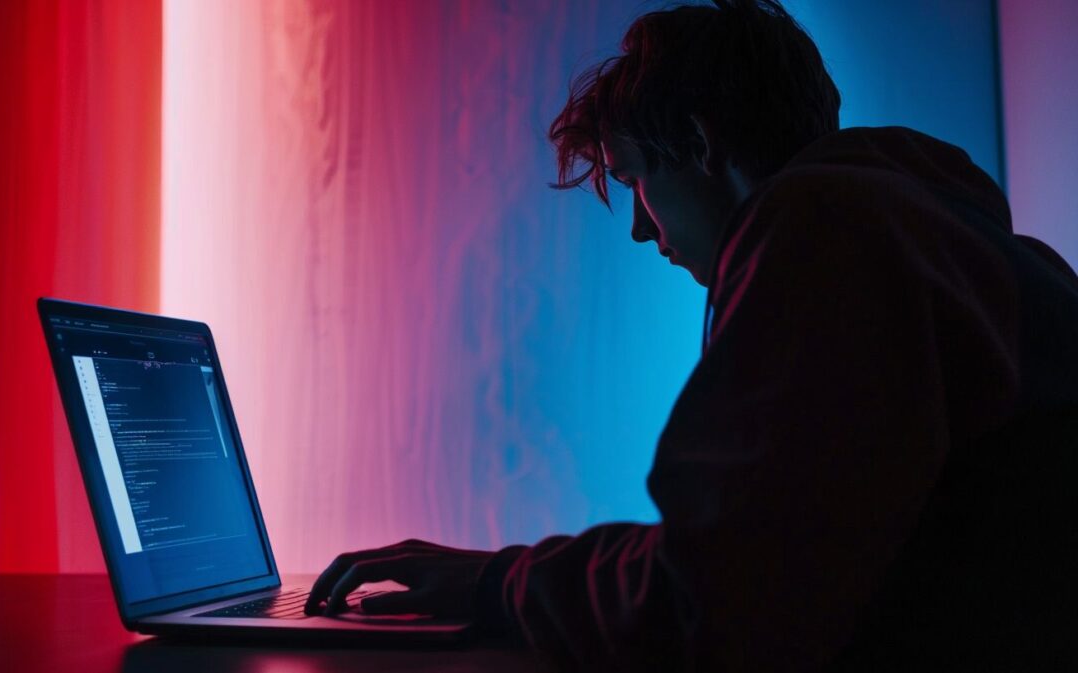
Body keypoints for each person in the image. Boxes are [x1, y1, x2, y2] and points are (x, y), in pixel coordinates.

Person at [304, 1, 1078, 670]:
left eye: (635, 176)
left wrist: (492, 582)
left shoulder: (827, 231)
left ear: (703, 144)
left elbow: (710, 605)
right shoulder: (955, 241)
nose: (642, 228)